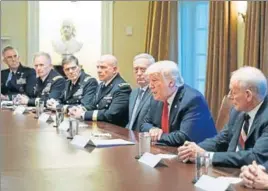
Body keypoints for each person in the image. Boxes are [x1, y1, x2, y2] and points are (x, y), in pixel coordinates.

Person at [177, 66, 268, 168]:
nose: (229, 96)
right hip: (228, 170)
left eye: (233, 92)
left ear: (248, 95)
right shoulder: (237, 111)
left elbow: (255, 157)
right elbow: (221, 140)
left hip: (253, 176)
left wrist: (207, 156)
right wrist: (194, 149)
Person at [141, 61, 216, 146]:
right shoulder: (157, 98)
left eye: (154, 81)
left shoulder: (192, 100)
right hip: (167, 150)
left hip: (196, 153)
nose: (150, 86)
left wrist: (156, 137)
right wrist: (152, 129)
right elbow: (144, 124)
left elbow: (183, 137)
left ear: (171, 83)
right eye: (150, 81)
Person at [68, 54, 131, 127]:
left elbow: (111, 115)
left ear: (115, 69)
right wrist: (79, 109)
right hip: (100, 127)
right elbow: (94, 105)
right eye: (97, 67)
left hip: (115, 131)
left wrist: (83, 114)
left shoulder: (122, 88)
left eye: (103, 67)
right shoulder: (102, 85)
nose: (99, 71)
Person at [126, 53, 154, 131]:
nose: (139, 73)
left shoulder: (156, 93)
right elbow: (131, 122)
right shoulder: (133, 93)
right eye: (136, 70)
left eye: (143, 70)